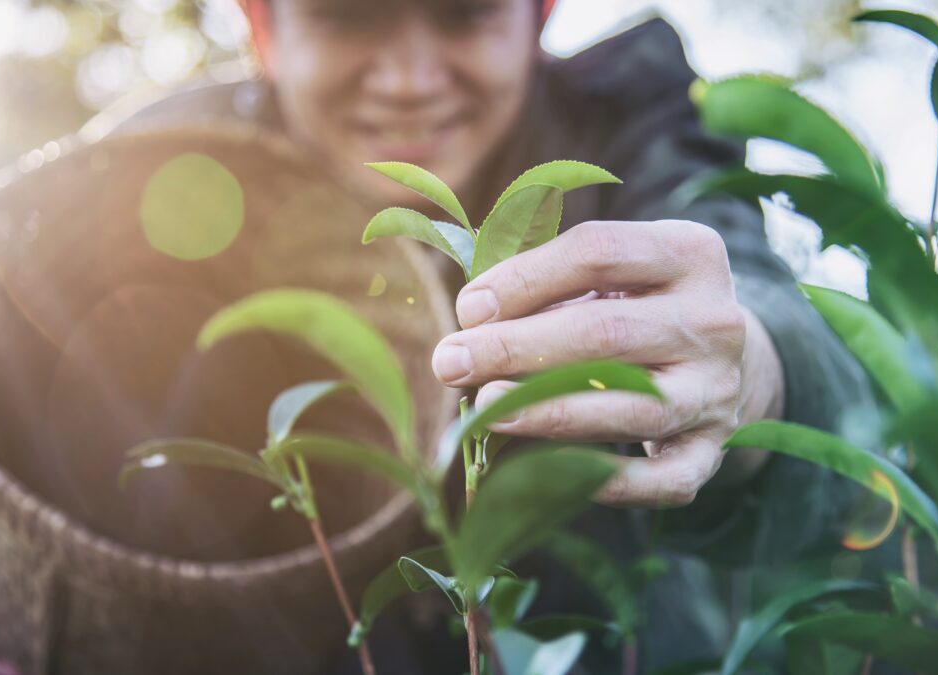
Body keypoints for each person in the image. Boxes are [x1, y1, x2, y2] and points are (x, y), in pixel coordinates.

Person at [101, 0, 872, 670]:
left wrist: (753, 367)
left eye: (464, 11)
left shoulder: (627, 116)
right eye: (345, 13)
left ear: (536, 18)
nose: (408, 78)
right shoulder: (157, 170)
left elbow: (759, 300)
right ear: (261, 27)